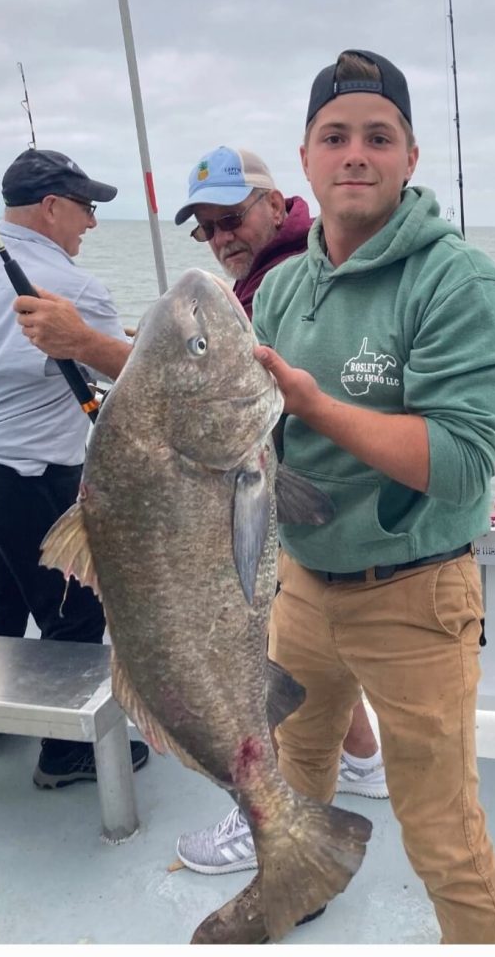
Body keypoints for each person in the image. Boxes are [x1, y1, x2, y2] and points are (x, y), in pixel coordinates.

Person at [192, 48, 495, 945]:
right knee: (291, 784)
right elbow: (254, 443)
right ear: (303, 160)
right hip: (301, 586)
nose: (355, 154)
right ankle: (292, 889)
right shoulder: (284, 286)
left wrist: (313, 405)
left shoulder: (459, 283)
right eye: (334, 136)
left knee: (443, 834)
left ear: (411, 158)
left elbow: (459, 462)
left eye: (379, 137)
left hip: (415, 597)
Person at [176, 145, 392, 874]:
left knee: (268, 663)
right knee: (308, 663)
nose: (222, 236)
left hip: (295, 511)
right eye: (206, 228)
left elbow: (234, 395)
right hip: (295, 512)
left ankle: (262, 814)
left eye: (232, 216)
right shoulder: (263, 277)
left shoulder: (281, 279)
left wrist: (88, 346)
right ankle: (363, 758)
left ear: (275, 203)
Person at [0, 148, 148, 787]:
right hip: (32, 475)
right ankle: (67, 753)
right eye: (87, 208)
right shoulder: (77, 289)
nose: (93, 224)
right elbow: (135, 378)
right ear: (51, 207)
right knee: (74, 609)